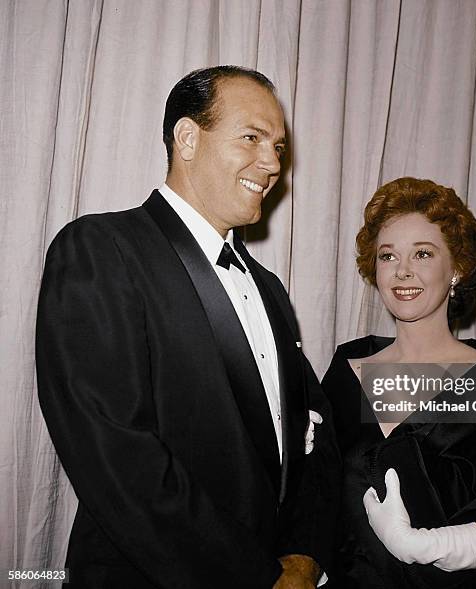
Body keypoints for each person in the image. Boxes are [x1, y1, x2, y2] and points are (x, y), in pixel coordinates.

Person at [36, 66, 340, 589]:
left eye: (279, 148)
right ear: (187, 138)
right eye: (252, 138)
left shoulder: (267, 285)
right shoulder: (100, 248)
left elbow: (312, 435)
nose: (271, 165)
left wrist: (303, 555)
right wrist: (257, 576)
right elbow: (117, 455)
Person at [322, 177, 476, 588]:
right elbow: (316, 496)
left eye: (423, 254)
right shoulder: (346, 370)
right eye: (388, 256)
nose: (402, 271)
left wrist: (421, 545)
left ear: (458, 268)